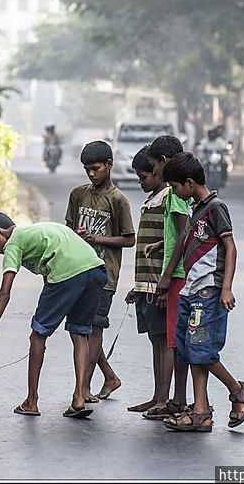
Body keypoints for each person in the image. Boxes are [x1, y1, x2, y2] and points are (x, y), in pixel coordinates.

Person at [0, 212, 107, 419]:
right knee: (80, 333)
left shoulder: (13, 243)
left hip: (68, 274)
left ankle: (31, 401)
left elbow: (4, 294)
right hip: (96, 270)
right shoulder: (37, 230)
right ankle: (78, 398)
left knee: (38, 335)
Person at [160, 152, 244, 432]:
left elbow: (230, 247)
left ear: (189, 183)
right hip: (190, 290)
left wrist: (226, 288)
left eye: (176, 187)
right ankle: (201, 411)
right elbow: (187, 244)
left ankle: (238, 390)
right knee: (191, 350)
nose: (176, 192)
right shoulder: (195, 208)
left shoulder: (216, 207)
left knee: (202, 348)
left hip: (209, 291)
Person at [64, 140, 134, 403]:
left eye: (95, 168)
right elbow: (68, 229)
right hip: (76, 272)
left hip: (103, 275)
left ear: (109, 165)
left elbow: (129, 239)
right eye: (86, 170)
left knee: (93, 329)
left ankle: (82, 388)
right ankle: (108, 377)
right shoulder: (78, 194)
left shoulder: (118, 200)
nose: (91, 174)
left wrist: (97, 239)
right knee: (82, 330)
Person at [141, 134, 192, 419]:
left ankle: (179, 400)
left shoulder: (176, 193)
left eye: (154, 167)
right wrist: (162, 244)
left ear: (163, 162)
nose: (157, 174)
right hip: (177, 272)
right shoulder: (176, 191)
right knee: (175, 339)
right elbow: (178, 234)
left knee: (176, 340)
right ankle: (176, 399)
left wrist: (167, 275)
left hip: (179, 275)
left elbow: (184, 233)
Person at [123, 146, 170, 417]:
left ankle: (164, 399)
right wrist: (138, 286)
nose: (140, 183)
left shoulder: (167, 198)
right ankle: (157, 396)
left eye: (144, 177)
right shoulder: (153, 198)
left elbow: (173, 242)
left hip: (159, 286)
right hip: (146, 286)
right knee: (155, 339)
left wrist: (161, 284)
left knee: (163, 341)